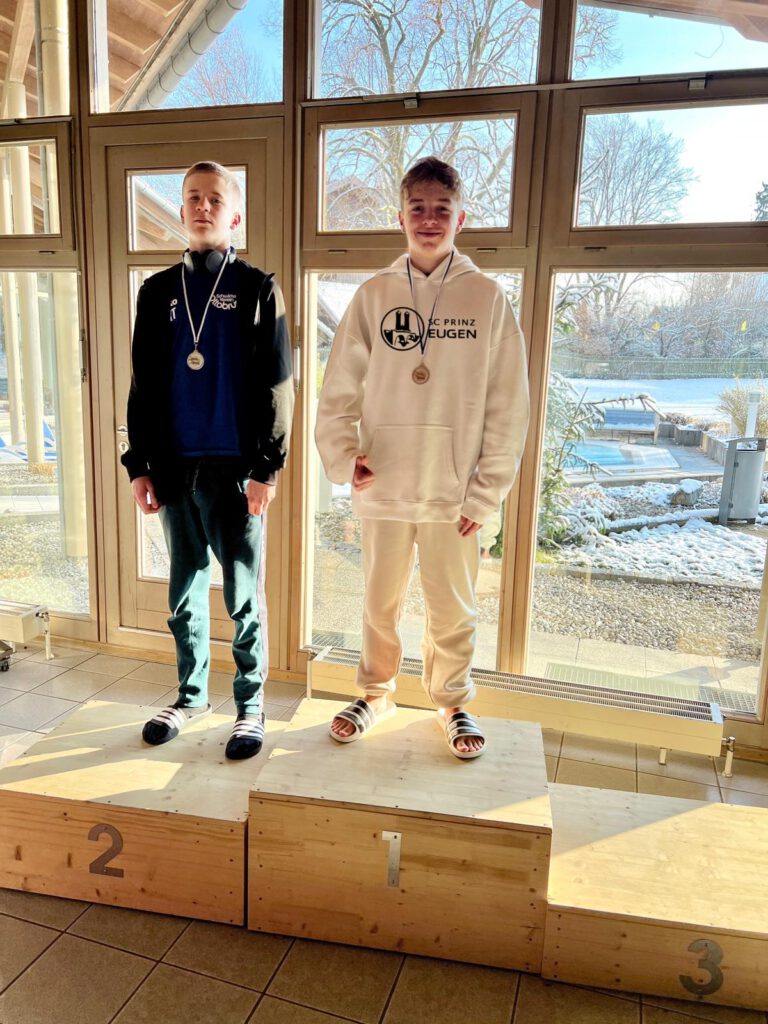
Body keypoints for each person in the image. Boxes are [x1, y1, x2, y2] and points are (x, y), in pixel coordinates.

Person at [315, 156, 529, 759]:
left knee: (452, 607)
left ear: (461, 218)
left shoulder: (487, 298)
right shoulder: (373, 295)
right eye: (418, 208)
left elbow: (509, 406)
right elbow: (337, 390)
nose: (429, 219)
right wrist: (343, 457)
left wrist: (486, 494)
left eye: (441, 209)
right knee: (378, 601)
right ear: (400, 217)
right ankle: (375, 692)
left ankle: (453, 701)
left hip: (454, 492)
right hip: (383, 482)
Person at [121, 160, 293, 760]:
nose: (202, 207)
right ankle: (190, 696)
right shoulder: (157, 292)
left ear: (234, 215)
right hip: (174, 466)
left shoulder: (256, 288)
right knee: (184, 593)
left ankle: (250, 706)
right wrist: (139, 463)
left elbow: (278, 382)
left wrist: (268, 466)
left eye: (215, 199)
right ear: (181, 210)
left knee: (242, 596)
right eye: (193, 197)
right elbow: (142, 384)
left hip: (235, 469)